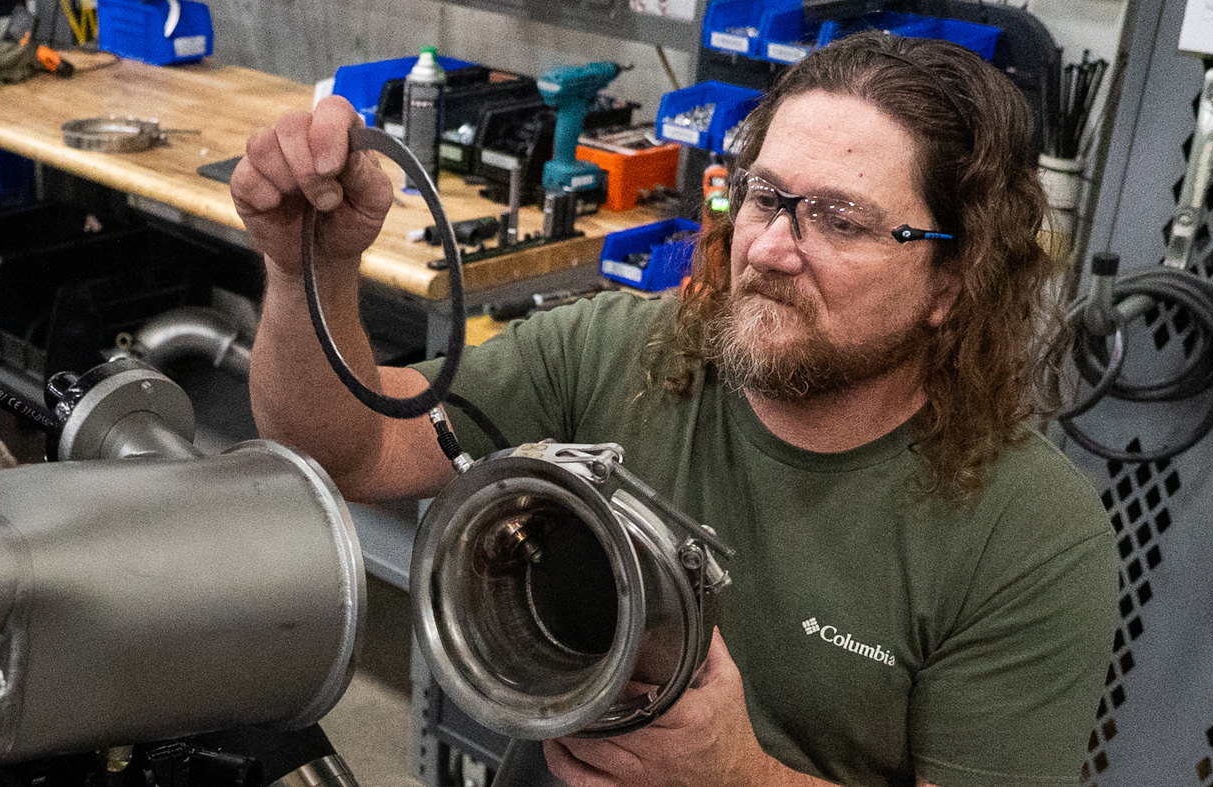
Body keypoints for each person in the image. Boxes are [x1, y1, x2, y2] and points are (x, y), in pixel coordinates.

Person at [231, 32, 1117, 787]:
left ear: (952, 284)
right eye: (767, 198)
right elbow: (342, 451)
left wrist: (739, 776)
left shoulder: (1027, 535)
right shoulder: (625, 349)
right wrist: (307, 265)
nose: (768, 248)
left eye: (839, 220)